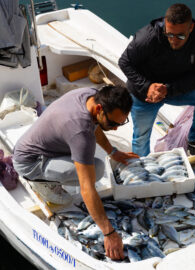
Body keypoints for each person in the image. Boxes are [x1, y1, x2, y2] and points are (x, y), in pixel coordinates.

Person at [13, 85, 138, 260]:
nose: (116, 129)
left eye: (120, 123)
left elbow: (96, 126)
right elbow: (87, 188)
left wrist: (112, 151)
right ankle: (40, 181)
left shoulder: (92, 95)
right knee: (97, 170)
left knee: (96, 165)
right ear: (100, 109)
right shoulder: (80, 133)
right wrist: (109, 233)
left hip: (43, 144)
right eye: (112, 124)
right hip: (30, 162)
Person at [118, 3, 195, 156]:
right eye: (169, 34)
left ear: (191, 28)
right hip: (145, 95)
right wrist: (148, 87)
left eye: (180, 36)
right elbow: (124, 62)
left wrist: (169, 89)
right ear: (165, 26)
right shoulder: (148, 37)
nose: (174, 40)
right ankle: (143, 166)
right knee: (141, 137)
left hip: (175, 89)